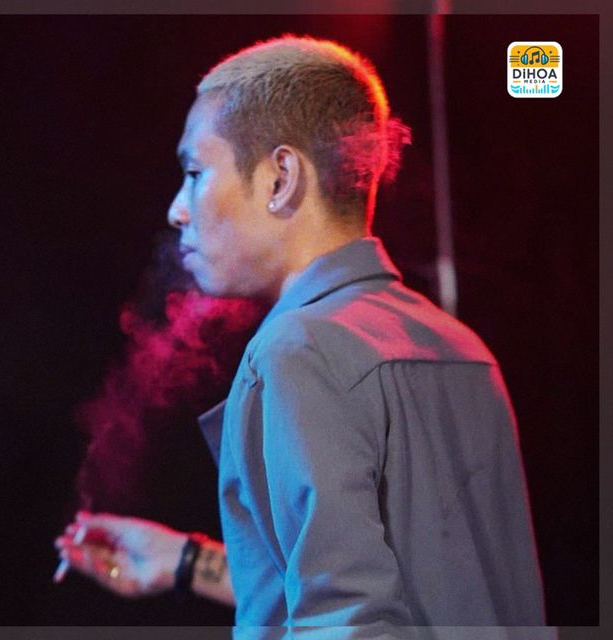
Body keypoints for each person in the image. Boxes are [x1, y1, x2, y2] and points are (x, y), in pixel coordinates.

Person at [55, 35, 548, 637]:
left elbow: (345, 622)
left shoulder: (297, 350)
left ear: (281, 177)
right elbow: (427, 594)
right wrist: (184, 561)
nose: (177, 209)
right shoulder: (460, 347)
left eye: (195, 173)